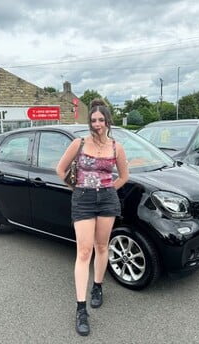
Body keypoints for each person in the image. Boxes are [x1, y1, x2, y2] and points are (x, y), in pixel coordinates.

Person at [56, 98, 129, 336]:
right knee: (84, 251)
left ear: (108, 121)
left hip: (107, 199)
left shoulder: (116, 146)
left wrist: (108, 190)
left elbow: (124, 176)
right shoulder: (79, 143)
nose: (97, 123)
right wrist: (77, 189)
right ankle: (80, 308)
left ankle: (98, 286)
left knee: (102, 246)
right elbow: (60, 169)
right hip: (83, 200)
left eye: (101, 119)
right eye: (93, 120)